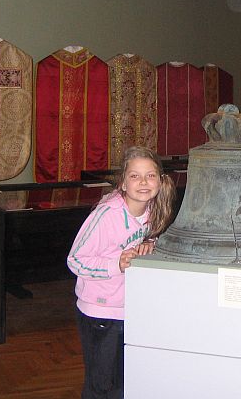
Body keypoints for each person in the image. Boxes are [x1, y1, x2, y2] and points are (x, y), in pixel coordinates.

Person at [67, 146, 176, 399]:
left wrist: (150, 244)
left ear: (160, 180)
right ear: (123, 183)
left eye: (150, 175)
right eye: (135, 176)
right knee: (100, 385)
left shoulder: (153, 209)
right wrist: (116, 264)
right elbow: (75, 260)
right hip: (100, 312)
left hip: (129, 308)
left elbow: (141, 240)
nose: (143, 182)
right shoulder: (107, 215)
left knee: (123, 382)